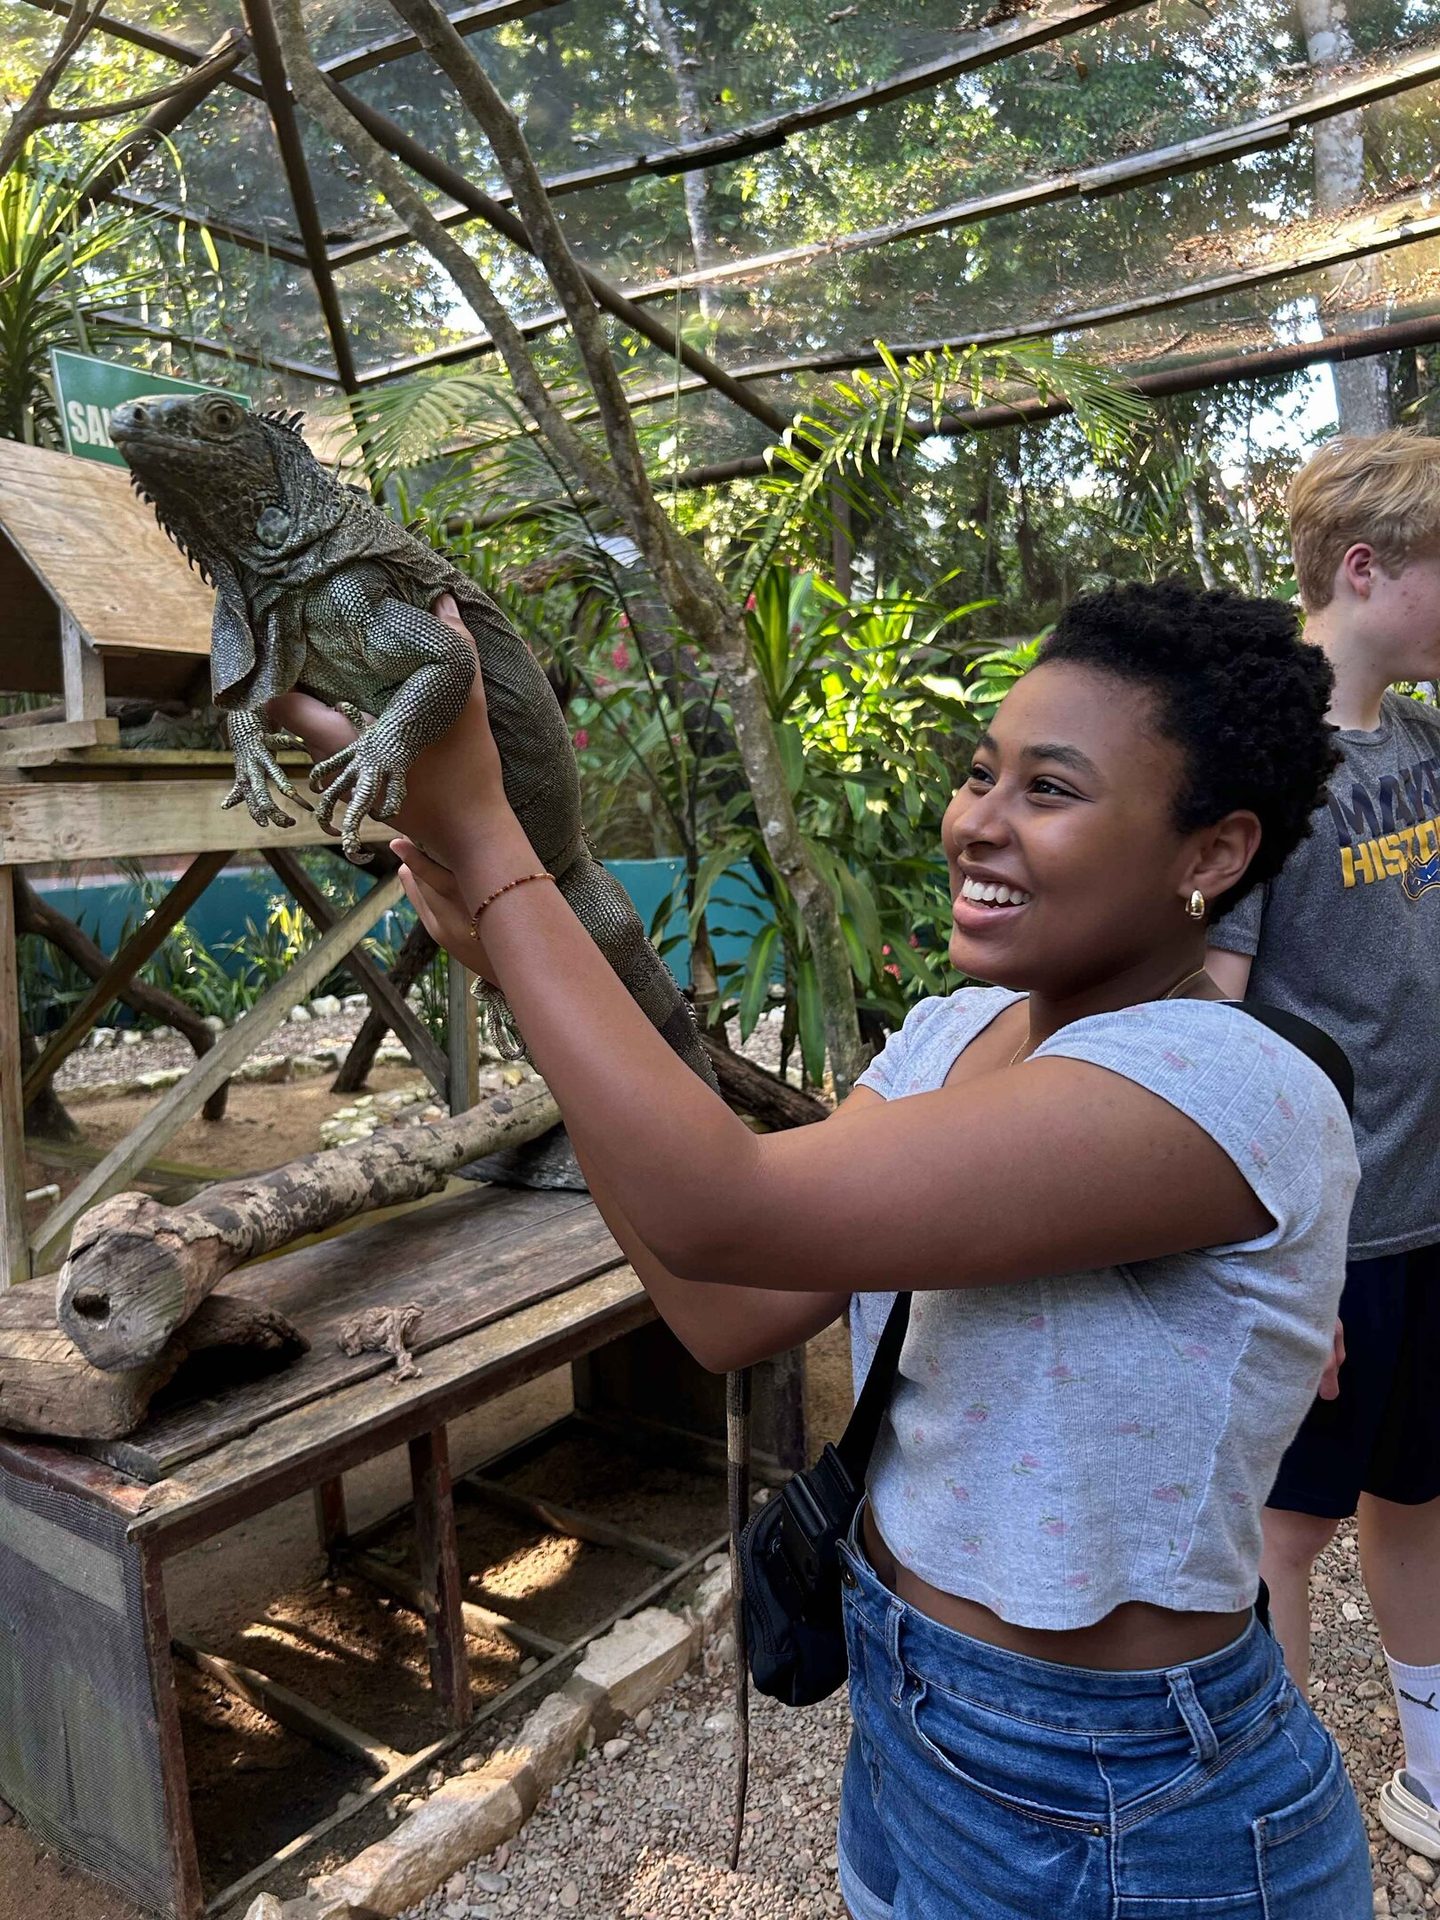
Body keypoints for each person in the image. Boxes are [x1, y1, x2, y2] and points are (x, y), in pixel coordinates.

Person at [274, 579, 1371, 1918]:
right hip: (907, 1714)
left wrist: (493, 851)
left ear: (1210, 854)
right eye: (983, 774)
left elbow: (722, 1205)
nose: (980, 820)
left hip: (1121, 1789)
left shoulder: (1219, 1091)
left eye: (1053, 791)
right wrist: (513, 952)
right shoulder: (949, 1037)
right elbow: (729, 1305)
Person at [1207, 428, 1440, 1864]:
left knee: (1419, 1497)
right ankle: (1274, 1819)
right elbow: (1215, 1025)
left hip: (1434, 1215)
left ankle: (1429, 1776)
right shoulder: (1263, 766)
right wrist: (1272, 1254)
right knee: (1282, 1535)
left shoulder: (1419, 739)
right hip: (1336, 1238)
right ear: (1366, 571)